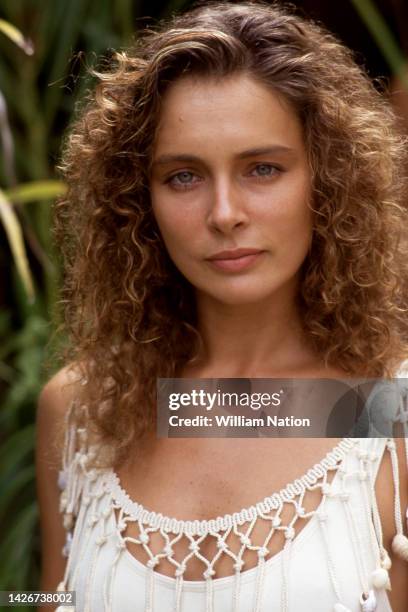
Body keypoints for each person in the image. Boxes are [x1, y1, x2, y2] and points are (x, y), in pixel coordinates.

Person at [36, 1, 408, 611]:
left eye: (262, 168)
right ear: (138, 200)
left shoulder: (389, 412)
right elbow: (42, 597)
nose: (224, 213)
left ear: (328, 179)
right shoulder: (84, 409)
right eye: (184, 176)